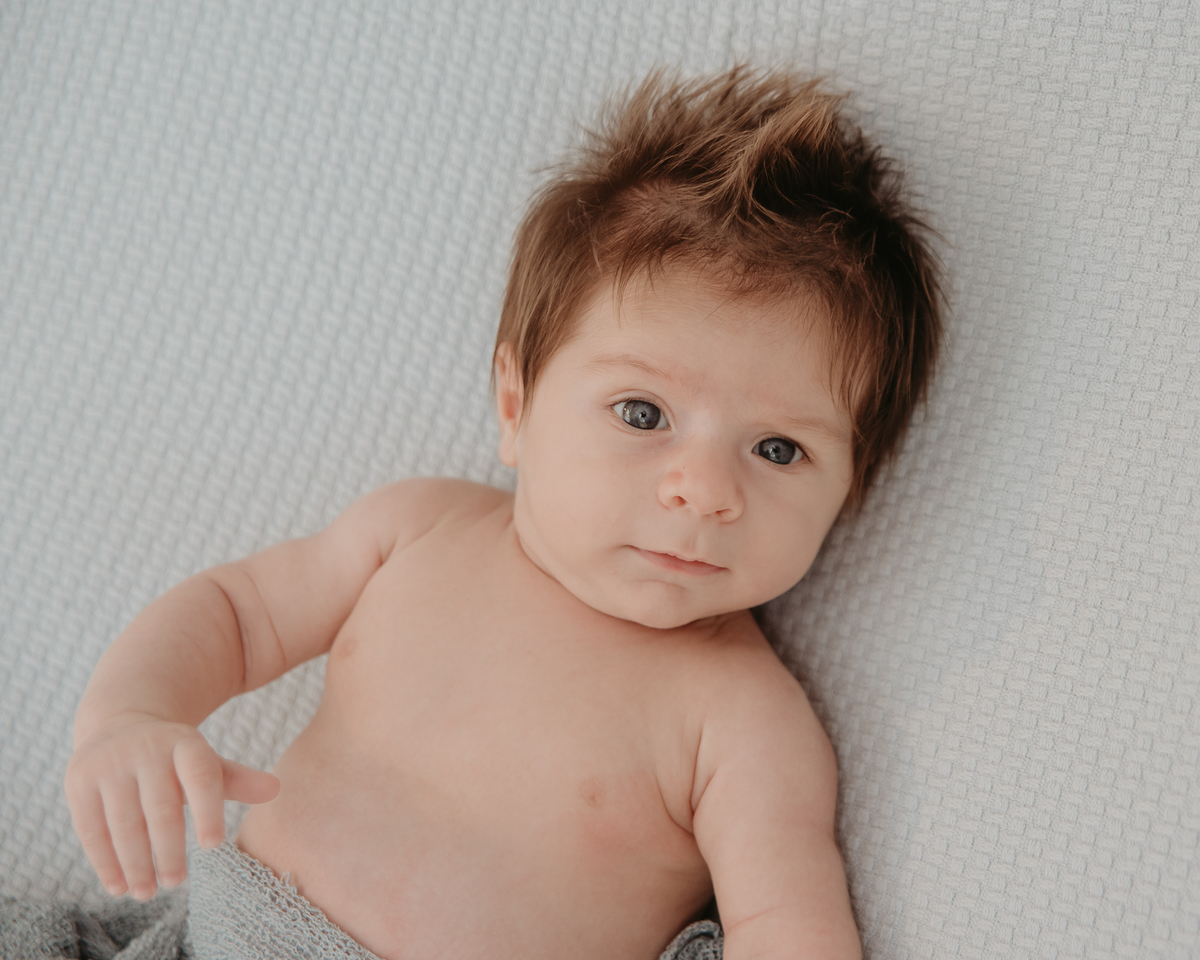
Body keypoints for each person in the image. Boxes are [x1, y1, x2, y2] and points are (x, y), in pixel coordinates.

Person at [64, 66, 942, 960]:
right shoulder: (417, 531)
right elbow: (234, 612)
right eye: (643, 414)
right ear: (515, 406)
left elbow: (788, 929)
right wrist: (130, 717)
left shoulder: (744, 722)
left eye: (779, 450)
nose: (704, 490)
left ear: (852, 490)